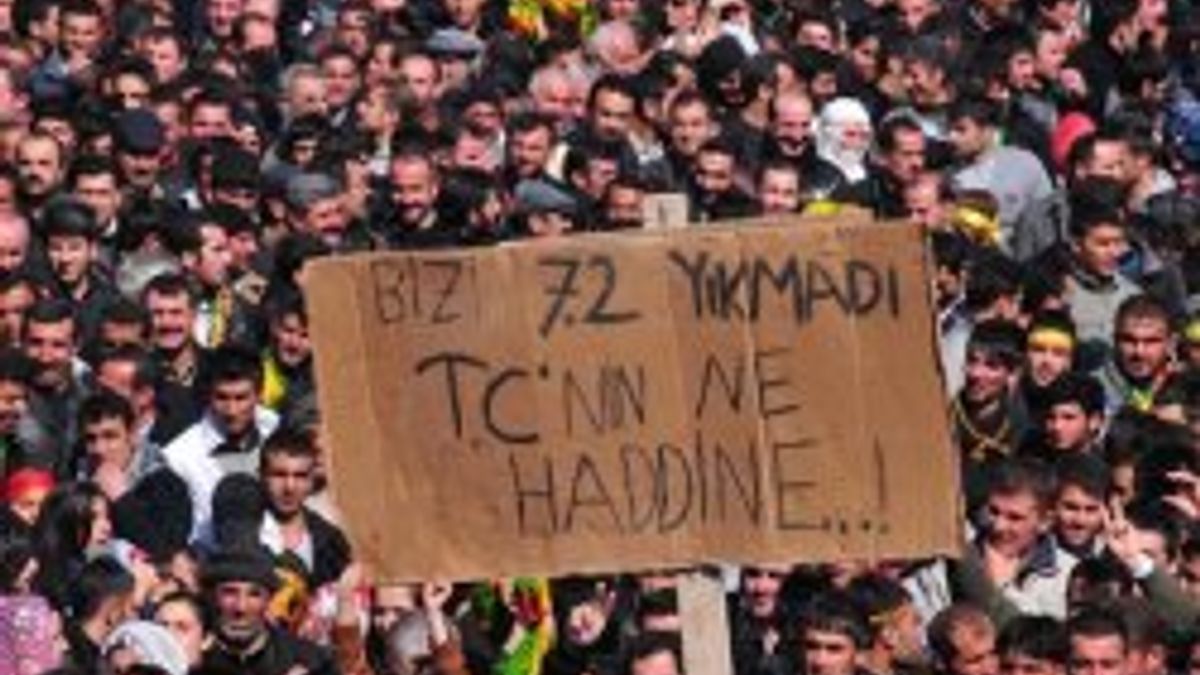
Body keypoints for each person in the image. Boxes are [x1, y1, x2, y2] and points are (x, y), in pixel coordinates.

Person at [161, 344, 279, 540]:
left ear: (259, 395)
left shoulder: (276, 430)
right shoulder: (179, 457)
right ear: (209, 395)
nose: (231, 411)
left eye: (241, 398)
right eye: (222, 398)